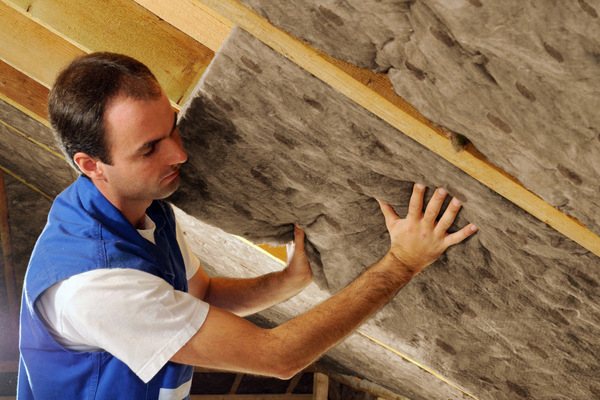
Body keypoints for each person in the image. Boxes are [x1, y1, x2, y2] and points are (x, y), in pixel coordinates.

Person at [17, 52, 478, 399]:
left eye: (172, 128)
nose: (180, 154)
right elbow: (278, 358)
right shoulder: (97, 287)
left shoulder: (141, 206)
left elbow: (200, 297)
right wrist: (402, 262)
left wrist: (284, 282)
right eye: (149, 148)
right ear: (91, 163)